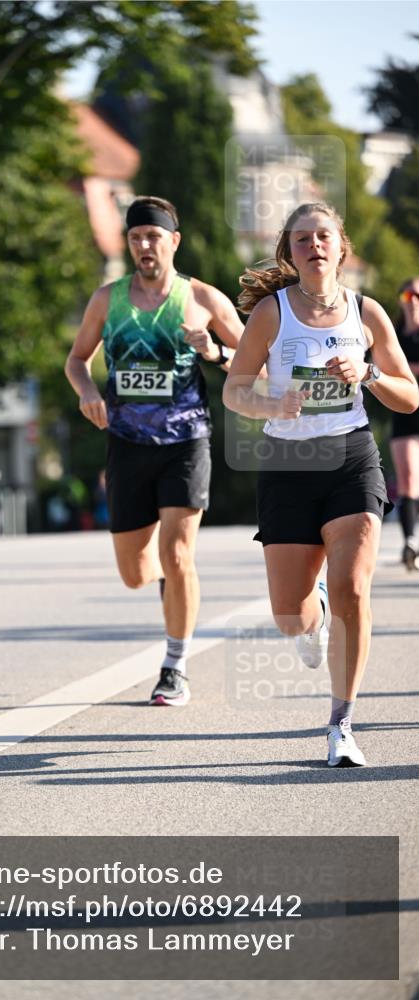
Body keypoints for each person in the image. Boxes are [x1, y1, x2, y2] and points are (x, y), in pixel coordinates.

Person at [223, 202, 418, 767]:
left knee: (354, 587)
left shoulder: (367, 313)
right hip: (287, 465)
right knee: (291, 612)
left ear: (341, 246)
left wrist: (370, 373)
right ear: (290, 250)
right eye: (303, 238)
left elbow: (410, 396)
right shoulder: (272, 313)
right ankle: (317, 614)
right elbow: (235, 389)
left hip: (351, 458)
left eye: (323, 236)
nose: (314, 246)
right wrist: (271, 404)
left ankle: (341, 725)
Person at [65, 195, 244, 706]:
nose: (145, 245)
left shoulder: (202, 298)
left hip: (186, 442)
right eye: (136, 237)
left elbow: (255, 359)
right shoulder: (108, 299)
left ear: (174, 241)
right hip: (126, 442)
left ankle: (174, 666)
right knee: (134, 573)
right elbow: (76, 360)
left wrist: (214, 351)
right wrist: (88, 392)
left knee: (180, 552)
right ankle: (166, 572)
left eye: (154, 236)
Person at [390, 277, 419, 570]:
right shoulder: (394, 334)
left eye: (418, 296)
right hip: (404, 415)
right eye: (408, 295)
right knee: (408, 479)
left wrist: (407, 370)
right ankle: (410, 542)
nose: (413, 301)